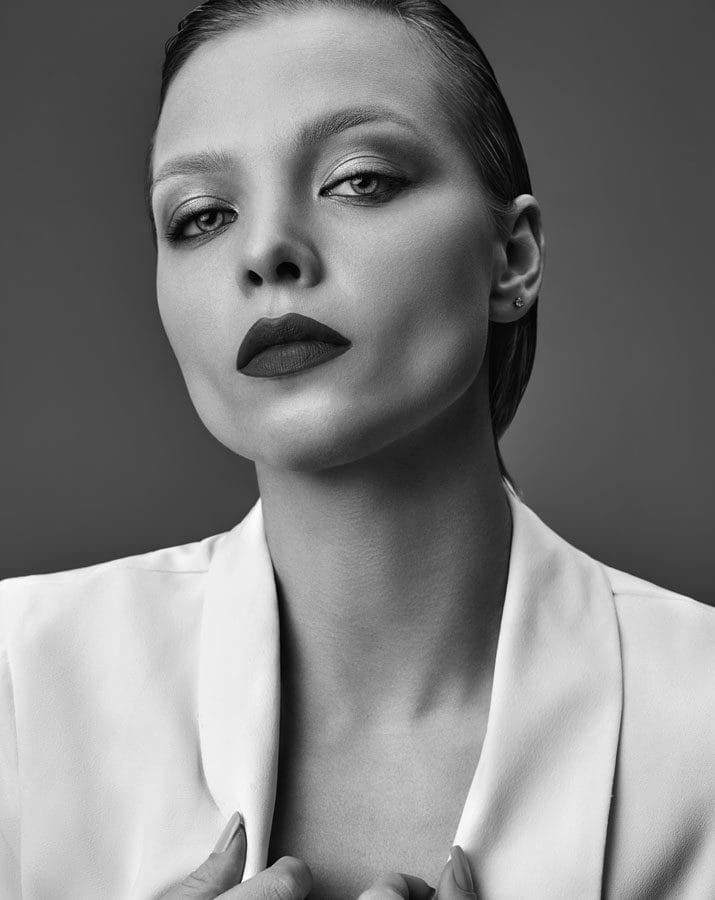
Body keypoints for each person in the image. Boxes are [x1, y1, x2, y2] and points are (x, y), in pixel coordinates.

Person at [1, 0, 713, 897]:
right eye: (202, 216)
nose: (266, 250)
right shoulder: (18, 679)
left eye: (360, 180)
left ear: (513, 257)